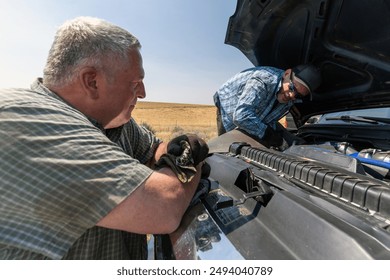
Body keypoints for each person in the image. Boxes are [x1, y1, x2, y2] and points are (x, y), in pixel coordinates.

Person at [0, 17, 209, 260]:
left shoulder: (115, 124)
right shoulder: (30, 120)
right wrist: (192, 158)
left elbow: (155, 150)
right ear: (92, 81)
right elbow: (164, 206)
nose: (143, 93)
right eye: (135, 83)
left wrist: (172, 156)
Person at [213, 64, 322, 149]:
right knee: (226, 148)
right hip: (228, 105)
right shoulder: (263, 80)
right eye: (292, 88)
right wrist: (269, 136)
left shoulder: (289, 97)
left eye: (298, 95)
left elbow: (268, 120)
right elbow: (241, 116)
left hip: (251, 112)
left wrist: (282, 139)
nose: (292, 95)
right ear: (287, 74)